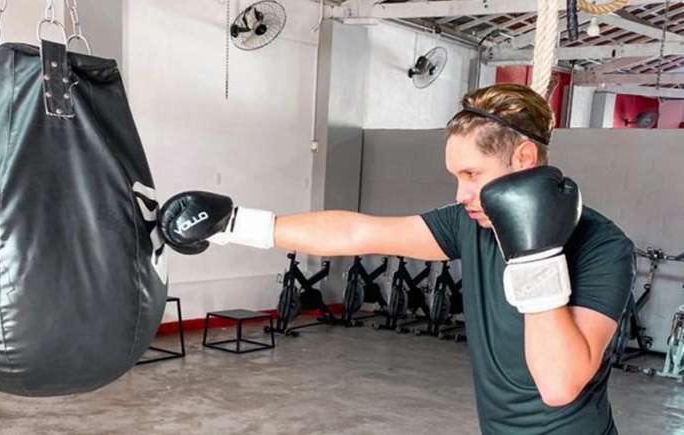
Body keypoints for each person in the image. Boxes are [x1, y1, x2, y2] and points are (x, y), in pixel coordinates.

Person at [158, 83, 635, 435]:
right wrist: (237, 223)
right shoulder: (470, 222)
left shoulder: (602, 246)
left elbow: (558, 385)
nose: (461, 193)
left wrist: (535, 253)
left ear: (525, 158)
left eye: (472, 173)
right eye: (456, 175)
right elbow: (360, 231)